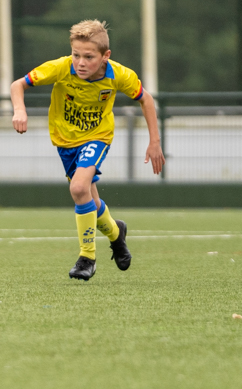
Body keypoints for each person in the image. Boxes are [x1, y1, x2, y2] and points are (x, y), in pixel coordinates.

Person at [11, 20, 165, 281]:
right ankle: (116, 234)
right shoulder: (61, 67)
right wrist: (19, 110)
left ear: (106, 56)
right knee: (88, 198)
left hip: (97, 137)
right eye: (76, 55)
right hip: (65, 142)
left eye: (89, 57)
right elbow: (18, 85)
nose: (80, 63)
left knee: (79, 188)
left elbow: (146, 99)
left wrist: (155, 141)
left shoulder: (119, 75)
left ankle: (87, 258)